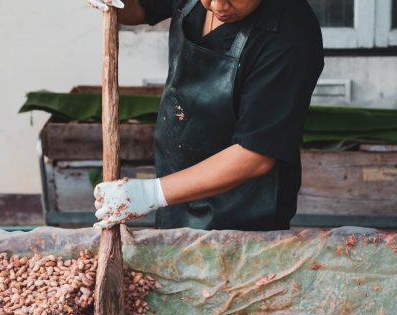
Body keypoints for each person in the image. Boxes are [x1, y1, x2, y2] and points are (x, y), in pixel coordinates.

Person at [91, 0, 324, 231]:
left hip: (243, 215)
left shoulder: (290, 35)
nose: (217, 6)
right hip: (174, 187)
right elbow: (139, 9)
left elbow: (256, 154)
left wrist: (151, 193)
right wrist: (115, 3)